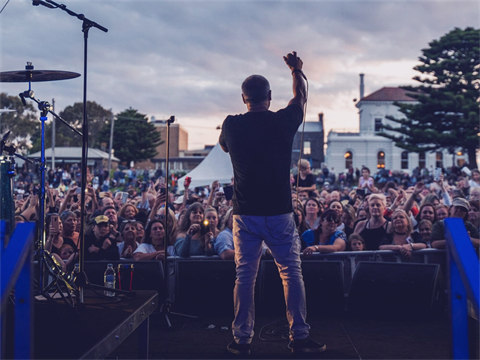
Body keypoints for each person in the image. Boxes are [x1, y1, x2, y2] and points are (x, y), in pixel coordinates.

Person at [219, 51, 325, 355]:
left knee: (244, 275)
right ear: (269, 95)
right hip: (279, 212)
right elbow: (300, 98)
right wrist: (296, 71)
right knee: (291, 272)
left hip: (245, 213)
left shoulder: (231, 124)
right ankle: (300, 336)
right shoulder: (283, 120)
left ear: (243, 98)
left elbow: (225, 147)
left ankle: (242, 339)